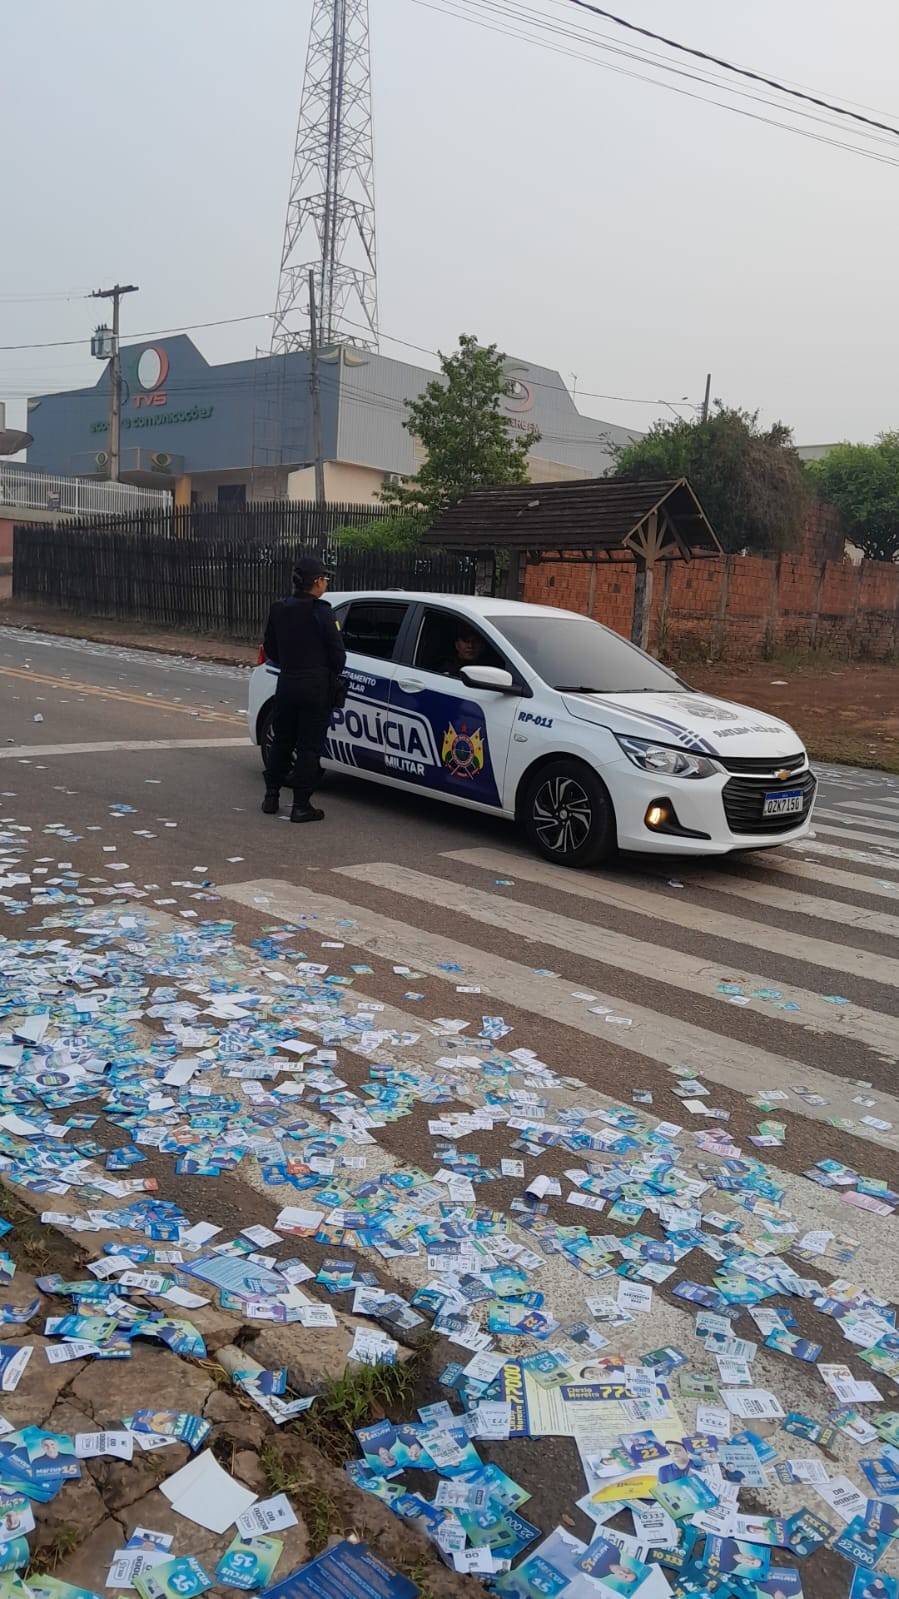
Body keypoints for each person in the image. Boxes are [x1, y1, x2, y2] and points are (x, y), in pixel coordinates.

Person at [261, 556, 346, 822]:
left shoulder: (279, 608)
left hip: (287, 683)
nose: (326, 584)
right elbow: (338, 657)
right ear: (317, 582)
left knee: (282, 740)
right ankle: (300, 804)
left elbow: (271, 649)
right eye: (325, 579)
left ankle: (271, 796)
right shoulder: (322, 612)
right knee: (309, 746)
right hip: (315, 687)